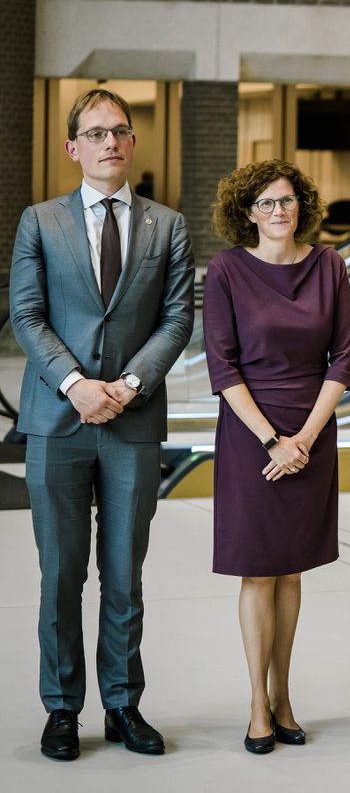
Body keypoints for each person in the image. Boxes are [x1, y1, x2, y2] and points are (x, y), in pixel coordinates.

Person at [9, 88, 195, 760]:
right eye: (95, 133)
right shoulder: (40, 221)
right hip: (59, 420)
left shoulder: (166, 226)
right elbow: (27, 314)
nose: (109, 142)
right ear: (73, 147)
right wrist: (77, 385)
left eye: (119, 131)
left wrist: (129, 384)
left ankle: (122, 704)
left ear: (132, 143)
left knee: (124, 573)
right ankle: (62, 709)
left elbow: (178, 316)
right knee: (60, 573)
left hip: (133, 420)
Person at [202, 160, 350, 752]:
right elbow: (223, 364)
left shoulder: (328, 267)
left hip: (312, 429)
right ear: (247, 212)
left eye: (287, 200)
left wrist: (306, 439)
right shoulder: (227, 271)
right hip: (250, 436)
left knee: (291, 569)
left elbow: (343, 358)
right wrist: (272, 440)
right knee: (257, 569)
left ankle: (285, 696)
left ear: (302, 205)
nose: (278, 211)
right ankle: (256, 704)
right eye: (265, 203)